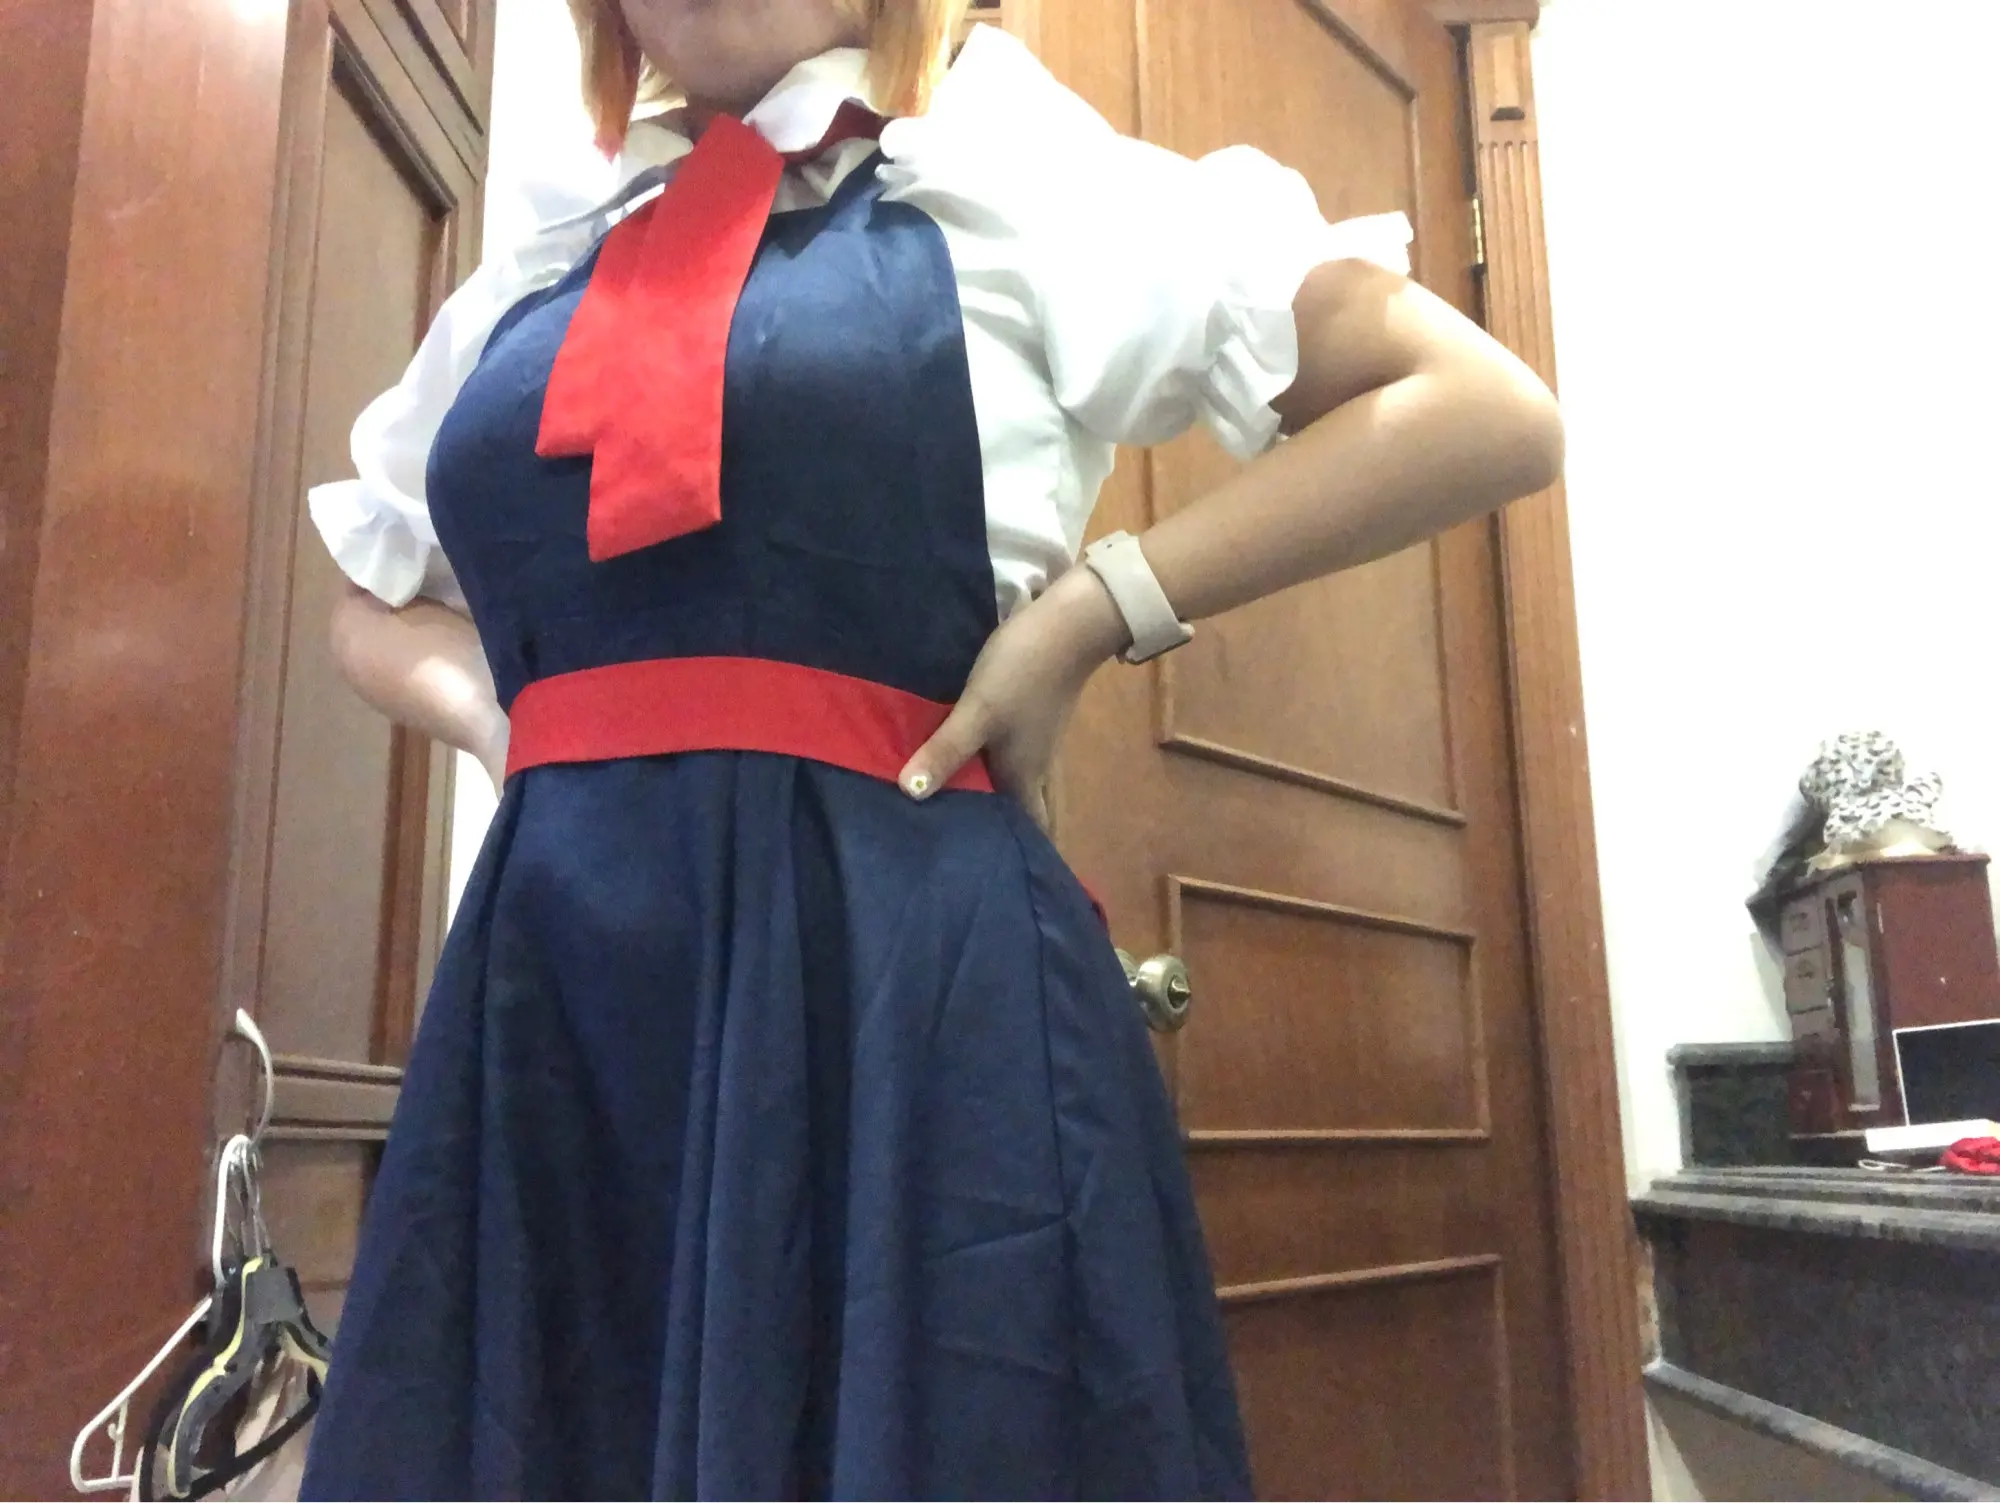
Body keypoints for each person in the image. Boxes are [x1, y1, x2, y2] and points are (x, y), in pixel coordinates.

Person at [297, 0, 1564, 1496]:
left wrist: (1096, 610)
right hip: (560, 997)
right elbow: (372, 593)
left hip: (906, 989)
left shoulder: (1008, 164)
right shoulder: (556, 240)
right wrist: (509, 726)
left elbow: (1479, 411)